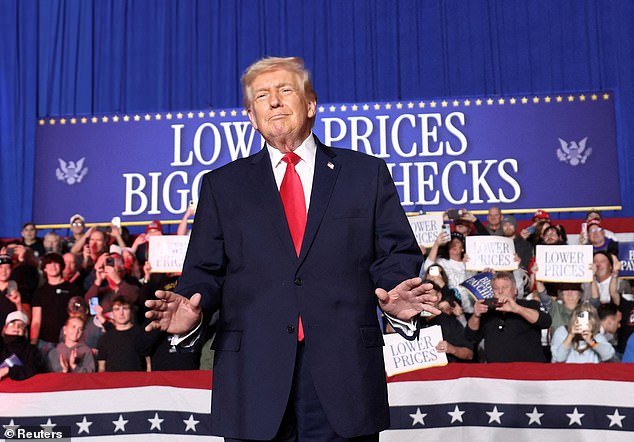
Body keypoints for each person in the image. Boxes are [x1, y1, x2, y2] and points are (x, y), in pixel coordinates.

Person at [144, 56, 438, 441]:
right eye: (261, 96)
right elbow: (204, 272)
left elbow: (395, 253)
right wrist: (191, 309)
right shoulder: (222, 186)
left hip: (344, 374)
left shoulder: (365, 174)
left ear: (310, 104)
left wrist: (395, 290)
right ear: (252, 117)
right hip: (253, 377)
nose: (274, 101)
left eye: (285, 90)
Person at [466, 271, 551, 362]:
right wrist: (476, 315)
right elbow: (471, 337)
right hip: (496, 369)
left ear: (515, 290)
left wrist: (517, 309)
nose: (500, 291)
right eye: (496, 288)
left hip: (528, 368)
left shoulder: (529, 305)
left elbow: (546, 322)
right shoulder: (487, 311)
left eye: (505, 287)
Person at [30, 253, 83, 360]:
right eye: (49, 264)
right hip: (45, 342)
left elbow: (79, 316)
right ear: (44, 268)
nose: (52, 267)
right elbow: (36, 320)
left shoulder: (73, 289)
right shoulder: (39, 292)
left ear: (61, 266)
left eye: (56, 263)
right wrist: (33, 344)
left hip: (67, 341)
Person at [97, 296, 148, 372]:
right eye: (117, 309)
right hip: (112, 379)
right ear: (112, 313)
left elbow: (148, 361)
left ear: (131, 311)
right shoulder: (105, 338)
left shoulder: (141, 334)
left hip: (137, 379)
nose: (121, 313)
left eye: (125, 308)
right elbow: (101, 367)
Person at [550, 303, 615, 363]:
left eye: (588, 318)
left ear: (593, 321)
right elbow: (559, 358)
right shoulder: (562, 331)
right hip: (566, 371)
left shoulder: (597, 336)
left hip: (590, 371)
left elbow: (608, 355)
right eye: (581, 317)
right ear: (574, 319)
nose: (583, 322)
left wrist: (591, 342)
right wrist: (570, 336)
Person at [0, 311, 47, 381]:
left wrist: (8, 370)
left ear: (24, 331)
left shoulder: (31, 350)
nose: (16, 327)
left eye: (21, 325)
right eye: (12, 323)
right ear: (5, 328)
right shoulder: (1, 346)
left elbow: (34, 369)